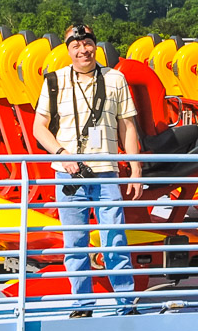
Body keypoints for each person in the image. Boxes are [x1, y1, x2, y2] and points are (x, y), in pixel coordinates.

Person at [32, 24, 143, 316]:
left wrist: (136, 170)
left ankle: (125, 305)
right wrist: (60, 154)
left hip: (106, 171)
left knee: (114, 240)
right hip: (69, 174)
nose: (84, 50)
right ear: (68, 50)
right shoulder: (54, 81)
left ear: (96, 45)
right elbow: (38, 128)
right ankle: (83, 305)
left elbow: (127, 126)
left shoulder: (115, 79)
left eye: (88, 43)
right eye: (76, 45)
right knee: (75, 243)